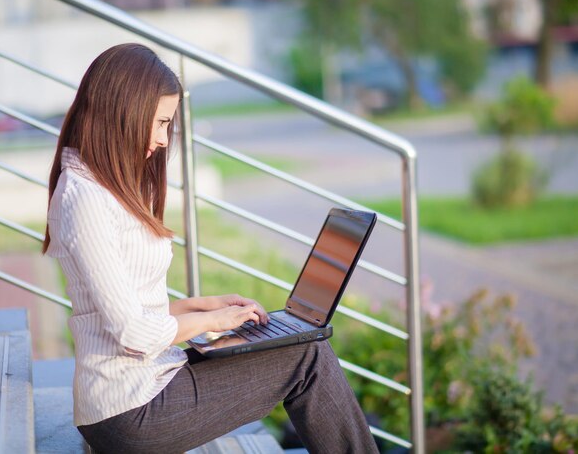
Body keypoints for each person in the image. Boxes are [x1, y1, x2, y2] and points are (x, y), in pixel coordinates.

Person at [43, 43, 378, 454]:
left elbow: (122, 315)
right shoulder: (85, 199)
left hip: (143, 387)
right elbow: (134, 334)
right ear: (123, 112)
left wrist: (204, 306)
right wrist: (214, 319)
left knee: (302, 346)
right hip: (128, 412)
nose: (165, 139)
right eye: (160, 122)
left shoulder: (98, 187)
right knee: (307, 356)